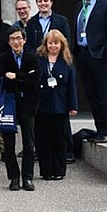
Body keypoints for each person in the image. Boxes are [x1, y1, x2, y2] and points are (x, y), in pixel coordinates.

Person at [72, 0, 107, 143]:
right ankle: (100, 130)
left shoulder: (106, 6)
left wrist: (105, 53)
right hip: (83, 55)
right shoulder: (80, 6)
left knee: (103, 94)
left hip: (98, 55)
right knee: (91, 94)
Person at [0, 27, 40, 191]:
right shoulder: (3, 58)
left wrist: (16, 76)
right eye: (13, 39)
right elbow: (2, 78)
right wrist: (24, 77)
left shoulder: (33, 56)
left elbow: (35, 78)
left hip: (28, 103)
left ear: (24, 40)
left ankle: (27, 178)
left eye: (19, 38)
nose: (16, 42)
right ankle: (14, 177)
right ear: (8, 41)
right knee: (9, 145)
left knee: (29, 144)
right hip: (9, 103)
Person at [36, 30, 79, 180]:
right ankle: (46, 171)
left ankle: (59, 171)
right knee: (43, 139)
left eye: (56, 43)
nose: (53, 46)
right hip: (42, 104)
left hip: (60, 105)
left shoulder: (67, 61)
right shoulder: (39, 60)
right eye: (50, 43)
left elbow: (72, 85)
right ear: (45, 44)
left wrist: (73, 106)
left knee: (59, 139)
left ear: (61, 45)